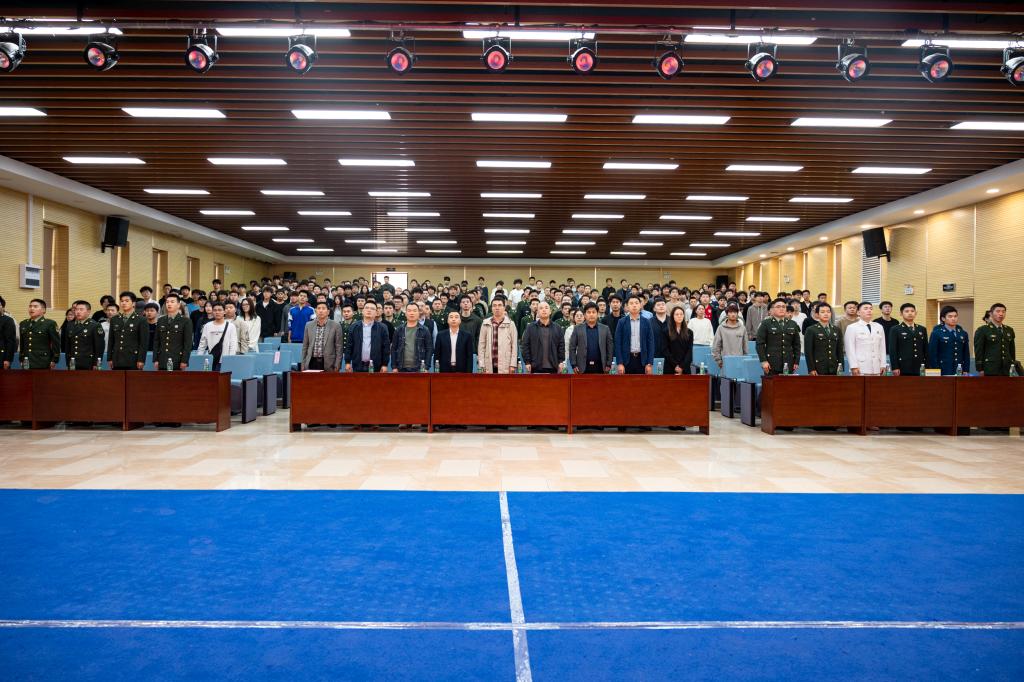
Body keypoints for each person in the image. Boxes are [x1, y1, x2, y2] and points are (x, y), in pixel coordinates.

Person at [756, 298, 802, 376]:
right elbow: (760, 344)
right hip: (771, 363)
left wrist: (796, 361)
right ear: (773, 309)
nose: (781, 309)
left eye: (783, 307)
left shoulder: (792, 324)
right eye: (778, 307)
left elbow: (797, 344)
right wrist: (763, 361)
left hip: (789, 362)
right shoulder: (766, 323)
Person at [614, 294, 656, 375]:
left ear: (640, 305)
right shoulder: (621, 322)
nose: (634, 305)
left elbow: (651, 343)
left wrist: (649, 363)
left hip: (642, 360)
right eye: (631, 303)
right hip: (626, 360)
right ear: (627, 306)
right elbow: (618, 343)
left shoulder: (646, 322)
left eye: (636, 303)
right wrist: (620, 363)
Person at [568, 302, 613, 374]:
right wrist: (573, 364)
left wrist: (609, 364)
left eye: (593, 312)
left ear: (597, 314)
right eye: (588, 312)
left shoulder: (605, 329)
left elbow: (610, 348)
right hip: (582, 367)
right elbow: (572, 347)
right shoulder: (577, 329)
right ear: (585, 315)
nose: (591, 314)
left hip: (601, 367)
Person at [345, 300, 390, 372]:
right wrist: (347, 362)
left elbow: (386, 348)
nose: (369, 310)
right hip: (357, 365)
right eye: (367, 308)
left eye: (372, 309)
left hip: (376, 366)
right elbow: (349, 346)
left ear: (376, 313)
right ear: (362, 311)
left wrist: (385, 364)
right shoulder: (354, 327)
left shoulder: (382, 328)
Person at [108, 291, 148, 370]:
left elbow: (143, 343)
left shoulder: (141, 320)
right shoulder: (114, 319)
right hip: (117, 358)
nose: (124, 303)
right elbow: (111, 340)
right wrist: (109, 358)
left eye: (127, 301)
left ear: (133, 303)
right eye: (122, 301)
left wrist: (141, 360)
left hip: (133, 358)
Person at [521, 301, 565, 374]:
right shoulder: (530, 327)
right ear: (538, 312)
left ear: (550, 311)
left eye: (546, 308)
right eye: (541, 308)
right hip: (535, 366)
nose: (544, 310)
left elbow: (561, 346)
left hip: (553, 366)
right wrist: (527, 362)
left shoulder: (557, 328)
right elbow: (525, 345)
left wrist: (561, 361)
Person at [478, 296, 519, 374]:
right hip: (489, 363)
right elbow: (481, 345)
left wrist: (513, 364)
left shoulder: (510, 324)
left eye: (500, 305)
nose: (497, 308)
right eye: (494, 305)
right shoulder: (485, 323)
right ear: (491, 308)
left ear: (504, 308)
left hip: (505, 364)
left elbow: (514, 346)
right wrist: (481, 364)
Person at [844, 302, 887, 376]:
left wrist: (883, 364)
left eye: (871, 309)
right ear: (858, 312)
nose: (869, 310)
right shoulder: (852, 327)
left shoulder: (879, 327)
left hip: (877, 367)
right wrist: (853, 366)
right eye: (866, 308)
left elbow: (882, 347)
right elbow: (850, 349)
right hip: (860, 367)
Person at [153, 292, 193, 371]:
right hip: (162, 359)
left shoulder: (186, 321)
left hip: (177, 359)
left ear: (178, 305)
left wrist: (184, 360)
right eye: (167, 302)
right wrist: (155, 359)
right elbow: (156, 341)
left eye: (172, 302)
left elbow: (188, 343)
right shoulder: (161, 320)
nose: (169, 304)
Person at [974, 303, 1016, 376]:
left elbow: (1012, 350)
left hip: (1007, 369)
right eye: (998, 311)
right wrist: (980, 368)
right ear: (991, 313)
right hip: (990, 368)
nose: (1001, 314)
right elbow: (979, 351)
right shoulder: (983, 330)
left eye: (1003, 311)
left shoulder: (1009, 330)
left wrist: (1013, 365)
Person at [391, 302, 434, 372]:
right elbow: (393, 349)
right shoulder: (399, 330)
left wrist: (426, 367)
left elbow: (429, 349)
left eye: (414, 311)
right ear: (405, 313)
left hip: (420, 368)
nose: (412, 313)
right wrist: (394, 366)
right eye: (409, 311)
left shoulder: (425, 330)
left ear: (418, 313)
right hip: (401, 368)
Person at [18, 298, 60, 369]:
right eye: (30, 306)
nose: (32, 308)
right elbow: (22, 343)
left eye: (35, 306)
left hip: (43, 361)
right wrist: (21, 358)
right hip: (26, 360)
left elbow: (56, 343)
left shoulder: (50, 324)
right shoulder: (23, 323)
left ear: (43, 310)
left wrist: (54, 359)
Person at [928, 305, 970, 375]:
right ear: (943, 318)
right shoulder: (936, 333)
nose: (953, 319)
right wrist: (936, 371)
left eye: (955, 316)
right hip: (943, 369)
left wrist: (966, 370)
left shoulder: (963, 333)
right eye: (950, 316)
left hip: (959, 369)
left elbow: (966, 354)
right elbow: (932, 354)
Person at [301, 301, 343, 372]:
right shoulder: (308, 325)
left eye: (323, 308)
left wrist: (337, 365)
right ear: (315, 311)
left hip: (329, 363)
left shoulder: (336, 326)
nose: (321, 311)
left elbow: (339, 348)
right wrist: (303, 364)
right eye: (319, 308)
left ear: (328, 312)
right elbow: (305, 346)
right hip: (311, 361)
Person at [803, 302, 844, 375]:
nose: (826, 314)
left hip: (834, 367)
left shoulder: (836, 330)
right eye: (822, 312)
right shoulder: (811, 329)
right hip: (818, 367)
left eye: (828, 312)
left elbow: (840, 351)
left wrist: (841, 367)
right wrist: (811, 369)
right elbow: (808, 351)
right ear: (817, 314)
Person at [888, 303, 928, 376]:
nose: (910, 313)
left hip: (920, 366)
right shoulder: (895, 329)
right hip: (903, 366)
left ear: (915, 313)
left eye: (912, 311)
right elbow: (892, 350)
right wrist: (895, 367)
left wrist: (927, 366)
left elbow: (926, 349)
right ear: (901, 313)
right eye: (907, 311)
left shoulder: (922, 329)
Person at [197, 301, 238, 371]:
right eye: (215, 310)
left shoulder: (231, 326)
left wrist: (230, 360)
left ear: (224, 311)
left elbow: (233, 345)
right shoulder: (207, 326)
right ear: (212, 312)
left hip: (225, 360)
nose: (217, 312)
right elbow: (202, 344)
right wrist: (199, 358)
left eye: (220, 310)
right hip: (211, 360)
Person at [65, 300, 105, 370]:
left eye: (81, 309)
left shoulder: (95, 325)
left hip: (88, 362)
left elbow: (99, 347)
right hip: (73, 362)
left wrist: (96, 363)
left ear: (88, 312)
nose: (78, 312)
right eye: (76, 309)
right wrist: (67, 362)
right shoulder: (70, 325)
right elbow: (68, 346)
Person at [711, 304, 746, 369]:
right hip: (725, 362)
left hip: (739, 362)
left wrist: (744, 360)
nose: (733, 314)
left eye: (735, 312)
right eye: (730, 312)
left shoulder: (742, 328)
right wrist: (719, 361)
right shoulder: (721, 328)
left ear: (737, 314)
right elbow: (716, 347)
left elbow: (745, 347)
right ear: (727, 314)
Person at [663, 306, 693, 375]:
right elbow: (665, 350)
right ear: (672, 316)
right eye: (677, 314)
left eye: (681, 314)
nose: (679, 316)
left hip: (685, 367)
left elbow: (689, 351)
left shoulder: (689, 332)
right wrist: (675, 366)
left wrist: (682, 366)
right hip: (670, 366)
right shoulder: (666, 331)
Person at [0, 295, 16, 369]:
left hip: (2, 357)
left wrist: (8, 359)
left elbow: (10, 341)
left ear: (3, 307)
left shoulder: (7, 320)